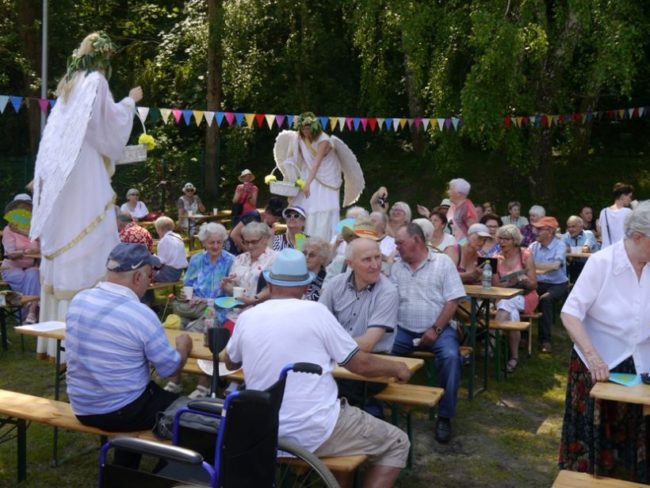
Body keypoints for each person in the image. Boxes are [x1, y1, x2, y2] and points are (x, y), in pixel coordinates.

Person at [225, 248, 412, 488]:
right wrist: (397, 368)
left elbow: (230, 362)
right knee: (397, 442)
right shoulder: (316, 313)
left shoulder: (248, 317)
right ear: (304, 288)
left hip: (262, 429)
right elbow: (359, 364)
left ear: (270, 285)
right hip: (314, 429)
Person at [30, 32, 143, 359]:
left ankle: (56, 342)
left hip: (63, 172)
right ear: (104, 57)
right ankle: (90, 339)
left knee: (68, 235)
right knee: (92, 233)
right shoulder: (95, 81)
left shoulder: (69, 82)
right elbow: (108, 128)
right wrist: (130, 101)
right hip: (84, 169)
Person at [558, 201, 650, 482]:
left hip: (641, 366)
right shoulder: (602, 262)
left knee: (637, 438)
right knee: (594, 444)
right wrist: (593, 355)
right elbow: (571, 312)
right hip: (599, 364)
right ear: (637, 237)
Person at [65, 243, 192, 434]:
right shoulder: (140, 314)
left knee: (149, 395)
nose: (150, 282)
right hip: (122, 411)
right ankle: (167, 464)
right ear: (138, 277)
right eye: (150, 275)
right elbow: (169, 370)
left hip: (82, 407)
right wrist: (184, 347)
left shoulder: (79, 300)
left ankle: (124, 463)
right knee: (190, 415)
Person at [390, 223, 466, 444]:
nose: (396, 247)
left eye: (400, 242)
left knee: (451, 357)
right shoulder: (396, 267)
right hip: (403, 329)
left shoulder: (442, 263)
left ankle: (445, 416)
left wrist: (436, 329)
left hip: (439, 330)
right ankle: (382, 406)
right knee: (380, 353)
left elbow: (453, 300)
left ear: (417, 240)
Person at [319, 238, 398, 412]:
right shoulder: (335, 285)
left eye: (378, 258)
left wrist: (328, 345)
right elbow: (318, 326)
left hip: (372, 364)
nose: (376, 265)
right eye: (367, 259)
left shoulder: (387, 292)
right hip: (336, 361)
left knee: (333, 392)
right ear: (350, 264)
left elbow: (369, 344)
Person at [274, 112, 365, 241]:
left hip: (326, 176)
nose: (305, 131)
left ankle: (322, 242)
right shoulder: (299, 139)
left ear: (314, 127)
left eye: (308, 128)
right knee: (304, 206)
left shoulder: (324, 140)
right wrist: (291, 171)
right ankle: (298, 241)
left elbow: (316, 164)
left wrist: (308, 184)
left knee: (322, 207)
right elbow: (296, 158)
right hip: (307, 172)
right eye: (303, 128)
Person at [169, 222, 234, 399]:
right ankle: (176, 380)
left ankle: (203, 384)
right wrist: (187, 294)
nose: (215, 246)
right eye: (211, 242)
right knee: (174, 330)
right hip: (193, 307)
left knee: (199, 330)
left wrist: (206, 300)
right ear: (204, 242)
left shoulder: (231, 261)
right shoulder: (197, 259)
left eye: (219, 242)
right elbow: (187, 284)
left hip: (217, 308)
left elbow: (232, 297)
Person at [493, 225, 538, 373]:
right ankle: (514, 357)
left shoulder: (525, 255)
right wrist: (508, 283)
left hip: (525, 296)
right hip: (503, 296)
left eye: (506, 239)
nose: (502, 242)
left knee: (506, 303)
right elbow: (494, 285)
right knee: (511, 311)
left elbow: (534, 284)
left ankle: (493, 340)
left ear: (515, 240)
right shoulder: (496, 258)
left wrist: (523, 280)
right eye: (500, 238)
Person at [529, 216, 568, 353]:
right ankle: (521, 335)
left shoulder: (560, 245)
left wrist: (533, 266)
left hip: (558, 284)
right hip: (538, 282)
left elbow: (556, 266)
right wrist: (536, 268)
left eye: (540, 229)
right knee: (522, 295)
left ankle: (545, 340)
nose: (536, 231)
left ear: (550, 231)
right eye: (536, 228)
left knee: (545, 299)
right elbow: (525, 266)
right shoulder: (533, 246)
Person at [1, 194, 40, 323]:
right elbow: (10, 253)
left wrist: (25, 233)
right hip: (11, 266)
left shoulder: (35, 229)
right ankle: (29, 312)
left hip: (30, 266)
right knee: (24, 278)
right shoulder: (8, 230)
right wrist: (25, 251)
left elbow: (44, 248)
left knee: (34, 275)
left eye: (27, 208)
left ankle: (27, 314)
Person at [222, 222, 276, 305]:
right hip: (238, 309)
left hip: (262, 310)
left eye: (254, 242)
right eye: (246, 242)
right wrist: (227, 287)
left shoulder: (275, 258)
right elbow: (234, 287)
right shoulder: (239, 259)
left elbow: (275, 287)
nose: (250, 246)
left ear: (265, 239)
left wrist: (253, 300)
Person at [561, 215, 599, 283]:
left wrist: (570, 249)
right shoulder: (566, 236)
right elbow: (561, 249)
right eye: (569, 227)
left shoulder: (588, 234)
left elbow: (585, 250)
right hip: (575, 266)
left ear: (581, 227)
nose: (570, 229)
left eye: (573, 226)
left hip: (591, 266)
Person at [598, 182, 634, 248]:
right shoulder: (628, 212)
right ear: (623, 196)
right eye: (630, 196)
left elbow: (600, 231)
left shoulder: (603, 212)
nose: (631, 199)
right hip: (622, 251)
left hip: (606, 251)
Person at [153, 216, 187, 283]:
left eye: (156, 229)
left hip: (169, 274)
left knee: (144, 275)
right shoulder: (178, 236)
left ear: (160, 229)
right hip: (179, 272)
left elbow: (160, 262)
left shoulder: (163, 241)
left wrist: (152, 258)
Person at [446, 178, 477, 244]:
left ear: (458, 193)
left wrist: (461, 245)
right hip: (452, 245)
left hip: (462, 248)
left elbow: (474, 232)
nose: (448, 192)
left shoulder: (467, 208)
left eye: (450, 189)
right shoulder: (452, 206)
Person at [302, 237, 331, 301]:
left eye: (312, 255)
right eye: (305, 253)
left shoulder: (327, 281)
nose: (306, 257)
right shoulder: (296, 275)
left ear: (322, 259)